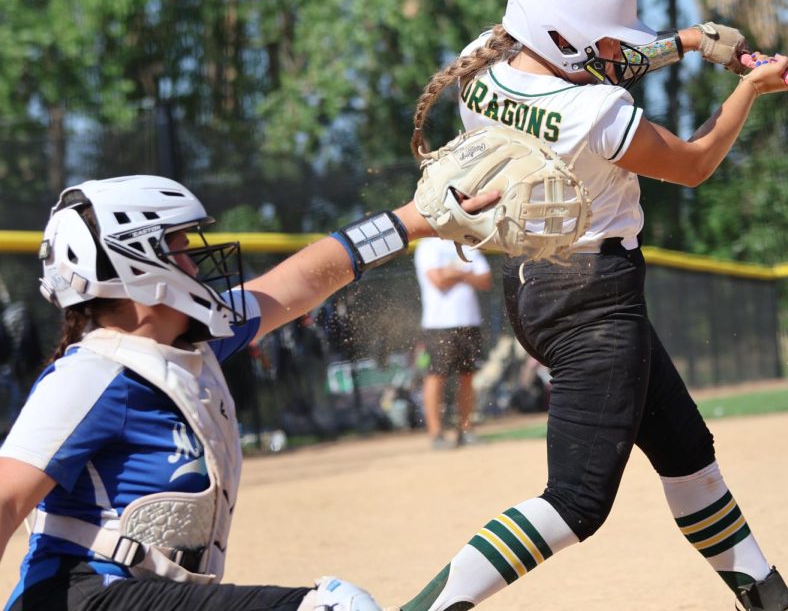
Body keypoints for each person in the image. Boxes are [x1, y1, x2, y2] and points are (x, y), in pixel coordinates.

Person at [400, 0, 788, 611]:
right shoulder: (595, 115)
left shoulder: (486, 61)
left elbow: (600, 56)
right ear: (562, 36)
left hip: (538, 287)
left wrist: (691, 42)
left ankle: (770, 601)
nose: (613, 51)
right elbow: (696, 162)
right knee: (577, 501)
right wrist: (747, 90)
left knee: (688, 458)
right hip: (594, 301)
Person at [0, 174, 497, 611]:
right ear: (134, 265)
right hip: (84, 597)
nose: (195, 265)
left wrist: (413, 220)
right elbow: (5, 500)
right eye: (179, 248)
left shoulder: (192, 344)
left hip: (150, 594)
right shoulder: (91, 374)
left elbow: (302, 280)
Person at [413, 237, 493, 449]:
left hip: (469, 322)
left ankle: (466, 431)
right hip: (439, 325)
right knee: (436, 376)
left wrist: (454, 273)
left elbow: (485, 280)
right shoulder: (428, 245)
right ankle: (436, 434)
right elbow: (438, 280)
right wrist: (467, 274)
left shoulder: (467, 244)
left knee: (468, 376)